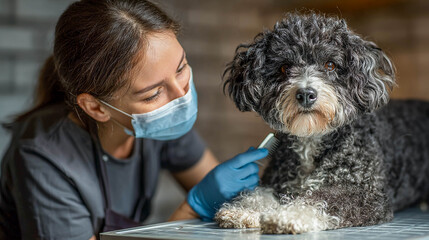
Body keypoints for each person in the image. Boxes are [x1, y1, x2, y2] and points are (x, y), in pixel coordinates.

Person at [0, 0, 268, 239]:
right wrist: (193, 207)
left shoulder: (162, 123)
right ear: (95, 107)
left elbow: (229, 198)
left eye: (181, 67)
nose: (180, 96)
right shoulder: (42, 159)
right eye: (153, 93)